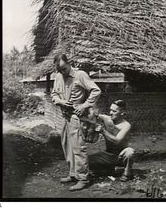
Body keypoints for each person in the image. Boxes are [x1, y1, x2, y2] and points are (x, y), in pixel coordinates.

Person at [51, 54, 101, 191]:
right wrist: (60, 101)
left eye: (64, 69)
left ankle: (83, 178)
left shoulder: (80, 75)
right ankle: (73, 174)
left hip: (77, 117)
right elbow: (54, 94)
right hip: (64, 116)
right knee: (67, 146)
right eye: (59, 70)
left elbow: (96, 90)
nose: (62, 72)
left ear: (69, 63)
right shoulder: (58, 77)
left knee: (78, 148)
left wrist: (85, 105)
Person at [89, 100, 135, 181]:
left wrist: (103, 131)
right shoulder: (106, 118)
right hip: (109, 153)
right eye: (110, 110)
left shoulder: (126, 125)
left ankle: (127, 173)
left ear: (122, 112)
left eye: (114, 111)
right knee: (87, 160)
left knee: (130, 152)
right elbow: (94, 115)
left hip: (121, 155)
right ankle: (109, 170)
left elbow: (117, 141)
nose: (110, 112)